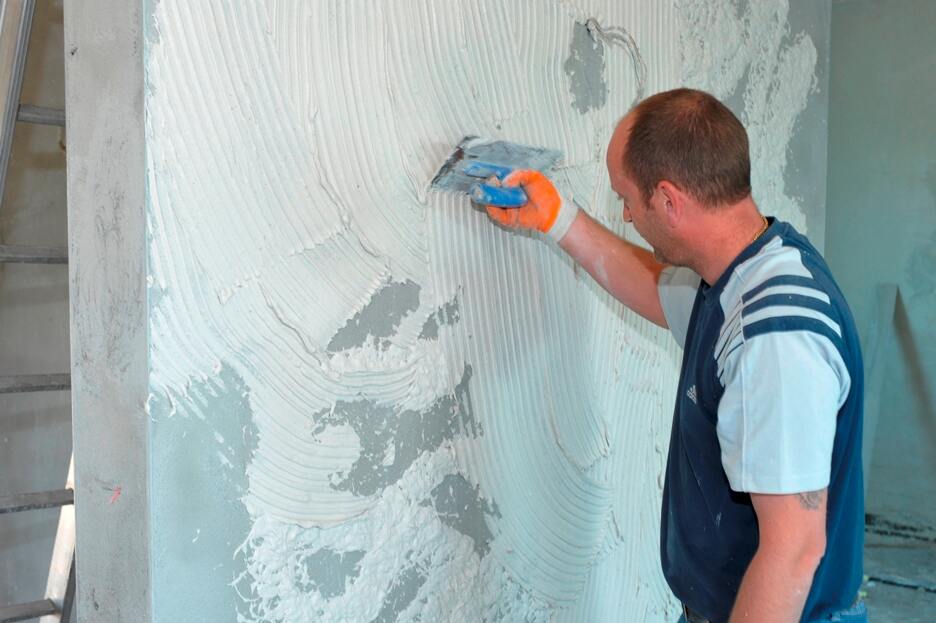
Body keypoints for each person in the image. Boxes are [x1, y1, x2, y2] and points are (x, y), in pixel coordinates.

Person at [478, 88, 866, 623]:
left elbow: (794, 551)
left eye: (626, 198)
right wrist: (556, 218)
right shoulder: (746, 268)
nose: (625, 214)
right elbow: (659, 289)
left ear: (667, 200)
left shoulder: (774, 339)